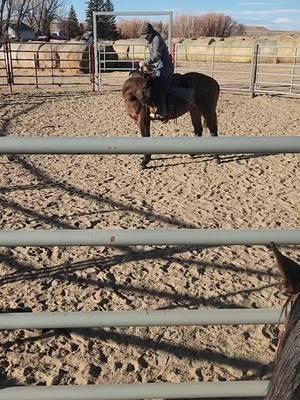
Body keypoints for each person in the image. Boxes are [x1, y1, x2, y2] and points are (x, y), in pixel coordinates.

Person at [140, 23, 174, 119]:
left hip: (164, 66)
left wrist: (145, 62)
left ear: (150, 33)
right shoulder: (153, 39)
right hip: (159, 65)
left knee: (159, 87)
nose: (145, 38)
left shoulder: (157, 40)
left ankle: (162, 111)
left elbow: (156, 56)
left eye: (146, 36)